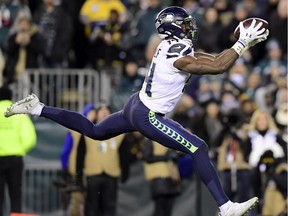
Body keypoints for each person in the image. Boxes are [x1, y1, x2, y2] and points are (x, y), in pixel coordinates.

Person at [4, 6, 269, 216]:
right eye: (186, 24)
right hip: (148, 115)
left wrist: (238, 46)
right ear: (174, 28)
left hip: (136, 104)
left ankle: (37, 107)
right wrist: (242, 43)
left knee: (95, 131)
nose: (191, 28)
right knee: (198, 147)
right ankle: (225, 207)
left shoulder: (171, 46)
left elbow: (211, 60)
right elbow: (217, 67)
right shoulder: (176, 50)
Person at [0, 86, 37, 215]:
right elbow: (30, 137)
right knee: (15, 195)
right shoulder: (17, 112)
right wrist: (20, 149)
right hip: (14, 159)